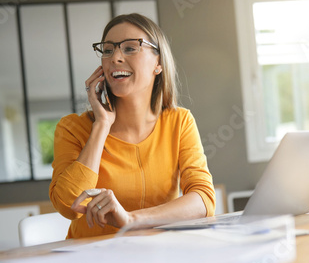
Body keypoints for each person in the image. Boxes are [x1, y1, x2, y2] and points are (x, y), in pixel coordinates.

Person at [49, 13, 215, 239]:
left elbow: (204, 200)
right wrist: (101, 126)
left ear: (158, 63)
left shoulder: (180, 122)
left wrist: (131, 219)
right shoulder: (72, 128)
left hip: (160, 257)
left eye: (130, 48)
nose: (115, 57)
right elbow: (68, 205)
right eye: (108, 50)